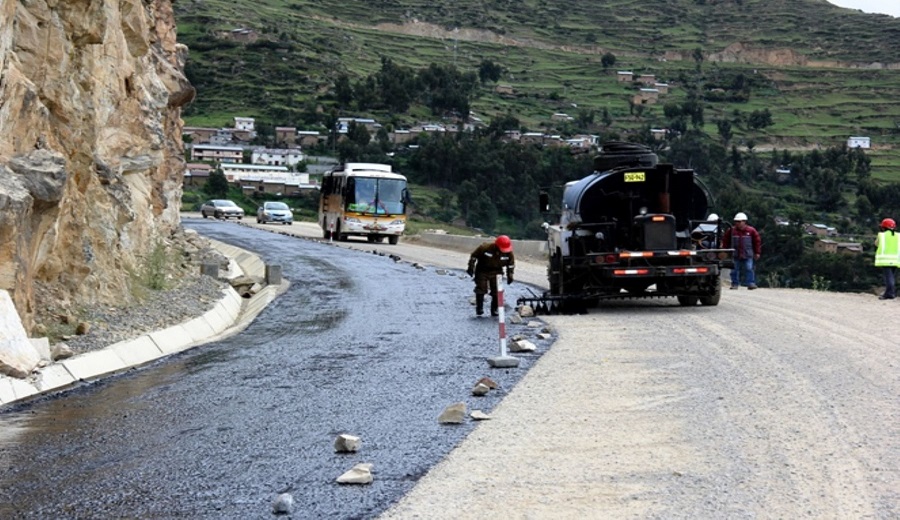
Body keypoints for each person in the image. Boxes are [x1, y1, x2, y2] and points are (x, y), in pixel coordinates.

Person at [467, 235, 516, 316]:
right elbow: (474, 256)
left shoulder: (509, 253)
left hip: (497, 271)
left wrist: (510, 275)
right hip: (482, 270)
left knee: (497, 290)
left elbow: (510, 265)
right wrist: (471, 267)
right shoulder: (485, 248)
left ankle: (494, 309)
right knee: (481, 288)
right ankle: (479, 308)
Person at [722, 212, 761, 290]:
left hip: (747, 254)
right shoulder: (731, 231)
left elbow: (757, 242)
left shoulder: (751, 231)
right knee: (734, 270)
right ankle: (735, 284)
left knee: (749, 269)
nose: (738, 223)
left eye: (739, 221)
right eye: (736, 221)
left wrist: (757, 252)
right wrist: (724, 251)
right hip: (735, 254)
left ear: (744, 221)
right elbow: (725, 241)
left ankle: (750, 283)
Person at [873, 217, 899, 300]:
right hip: (896, 260)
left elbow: (876, 244)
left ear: (883, 227)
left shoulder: (881, 235)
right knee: (891, 277)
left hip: (886, 259)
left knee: (888, 278)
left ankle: (890, 294)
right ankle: (889, 293)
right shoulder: (898, 236)